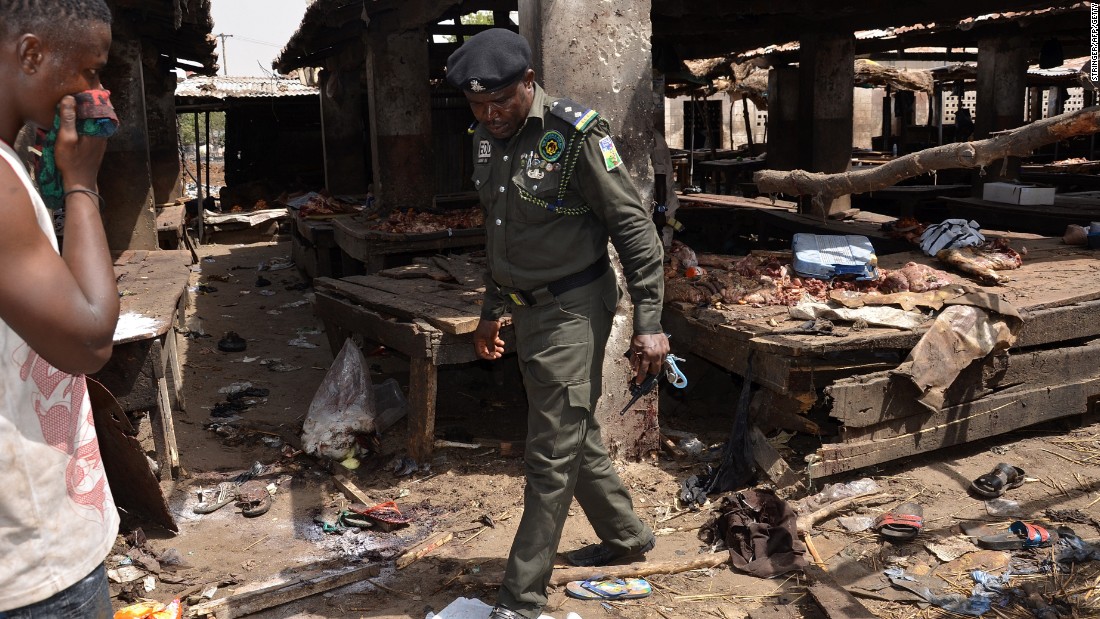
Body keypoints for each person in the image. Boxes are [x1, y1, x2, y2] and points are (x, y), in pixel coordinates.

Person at [447, 28, 669, 619]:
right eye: (477, 106)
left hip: (574, 308)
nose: (490, 115)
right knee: (571, 429)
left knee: (548, 454)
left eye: (501, 102)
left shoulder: (574, 137)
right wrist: (491, 309)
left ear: (529, 83)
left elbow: (636, 231)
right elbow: (500, 230)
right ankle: (627, 537)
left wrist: (650, 321)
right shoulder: (485, 140)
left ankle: (520, 597)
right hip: (526, 312)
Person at [0, 1, 120, 617]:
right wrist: (81, 183)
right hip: (32, 563)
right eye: (91, 71)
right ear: (29, 54)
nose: (96, 91)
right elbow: (90, 341)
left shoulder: (11, 163)